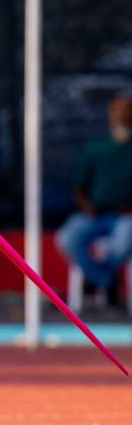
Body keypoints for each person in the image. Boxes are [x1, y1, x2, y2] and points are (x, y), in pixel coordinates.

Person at [56, 93, 132, 306]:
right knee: (67, 238)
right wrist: (86, 206)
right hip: (94, 215)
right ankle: (105, 280)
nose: (122, 117)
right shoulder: (96, 148)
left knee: (122, 244)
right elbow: (78, 187)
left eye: (126, 112)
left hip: (125, 217)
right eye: (117, 112)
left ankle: (100, 278)